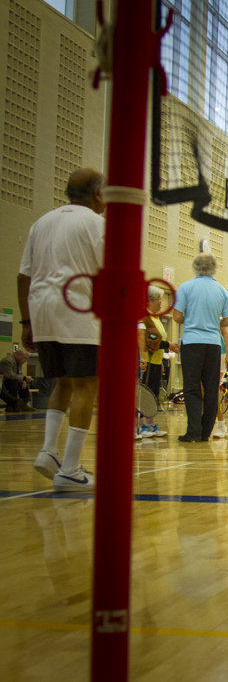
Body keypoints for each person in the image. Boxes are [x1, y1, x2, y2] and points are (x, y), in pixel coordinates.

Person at [19, 168, 105, 491]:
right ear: (97, 195)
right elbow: (106, 274)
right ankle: (70, 468)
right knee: (86, 385)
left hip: (41, 310)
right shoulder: (97, 224)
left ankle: (48, 451)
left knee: (63, 382)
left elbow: (22, 276)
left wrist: (27, 321)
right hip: (77, 310)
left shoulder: (41, 222)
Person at [173, 254, 228, 441]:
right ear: (214, 268)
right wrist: (213, 323)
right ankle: (206, 432)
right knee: (210, 388)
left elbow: (176, 317)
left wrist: (191, 320)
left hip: (192, 342)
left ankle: (193, 431)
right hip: (214, 344)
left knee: (191, 387)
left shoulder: (185, 287)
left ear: (195, 267)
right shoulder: (222, 291)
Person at [136, 286, 178, 438]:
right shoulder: (144, 317)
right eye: (159, 300)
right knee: (143, 393)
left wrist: (160, 360)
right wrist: (170, 345)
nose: (161, 304)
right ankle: (140, 426)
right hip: (145, 360)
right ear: (149, 301)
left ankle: (150, 423)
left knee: (153, 394)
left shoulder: (156, 319)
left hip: (155, 361)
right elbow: (149, 341)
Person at [0, 348, 36, 413]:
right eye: (25, 358)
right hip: (4, 382)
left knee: (23, 383)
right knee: (14, 382)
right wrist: (24, 378)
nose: (26, 360)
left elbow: (19, 375)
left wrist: (23, 380)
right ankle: (13, 405)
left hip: (9, 381)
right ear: (19, 355)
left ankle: (24, 404)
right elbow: (10, 376)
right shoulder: (8, 361)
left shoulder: (18, 362)